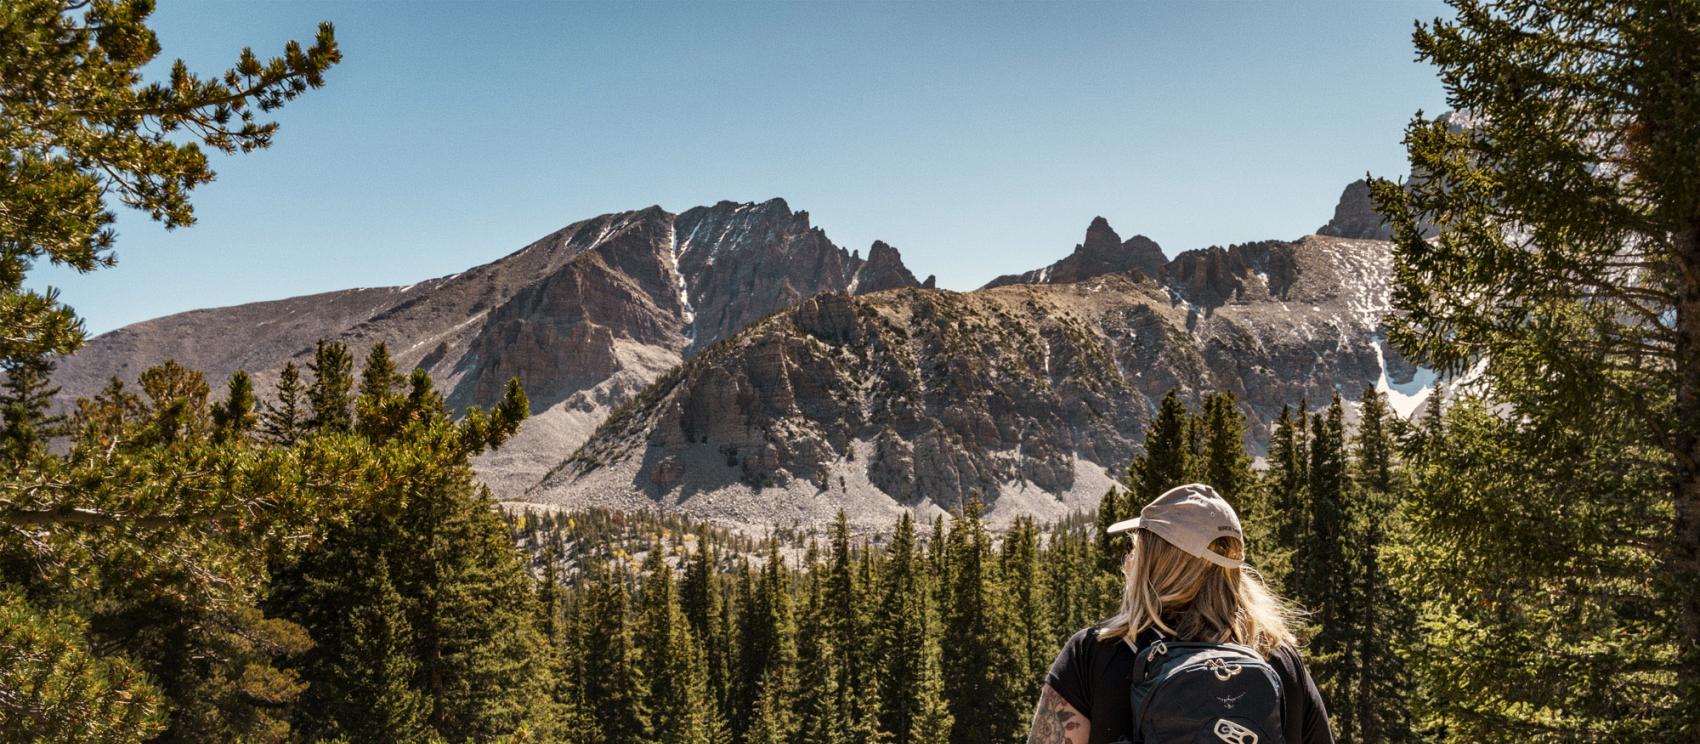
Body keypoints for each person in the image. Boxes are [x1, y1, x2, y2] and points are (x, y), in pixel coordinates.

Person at [1027, 483, 1334, 744]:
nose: (1129, 557)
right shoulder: (1278, 658)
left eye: (1138, 546)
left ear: (1157, 561)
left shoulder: (1095, 652)